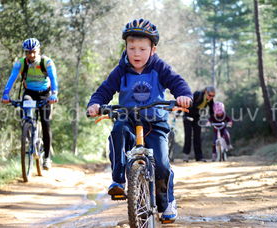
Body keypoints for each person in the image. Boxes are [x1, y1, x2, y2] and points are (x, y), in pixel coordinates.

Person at [87, 18, 192, 222]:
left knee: (161, 164)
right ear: (125, 47)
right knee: (117, 132)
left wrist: (183, 95)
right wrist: (96, 104)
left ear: (153, 49)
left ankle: (166, 202)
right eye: (131, 48)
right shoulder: (121, 70)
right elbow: (105, 90)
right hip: (128, 118)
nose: (136, 53)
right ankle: (118, 181)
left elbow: (177, 82)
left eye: (142, 49)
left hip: (155, 121)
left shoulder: (159, 67)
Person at [1, 38, 58, 170]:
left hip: (45, 94)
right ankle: (27, 132)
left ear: (38, 51)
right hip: (30, 92)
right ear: (25, 52)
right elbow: (12, 78)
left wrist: (54, 93)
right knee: (26, 106)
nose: (31, 55)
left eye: (33, 52)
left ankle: (47, 157)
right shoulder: (20, 63)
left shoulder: (47, 62)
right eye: (28, 52)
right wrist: (5, 94)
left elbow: (54, 78)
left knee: (45, 123)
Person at [182, 86, 215, 162]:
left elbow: (211, 111)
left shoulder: (210, 100)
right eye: (210, 95)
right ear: (206, 92)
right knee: (188, 136)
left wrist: (211, 120)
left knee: (197, 137)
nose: (211, 97)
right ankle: (186, 156)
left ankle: (199, 157)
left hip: (197, 117)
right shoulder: (197, 94)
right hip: (188, 116)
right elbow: (187, 102)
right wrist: (179, 112)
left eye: (213, 96)